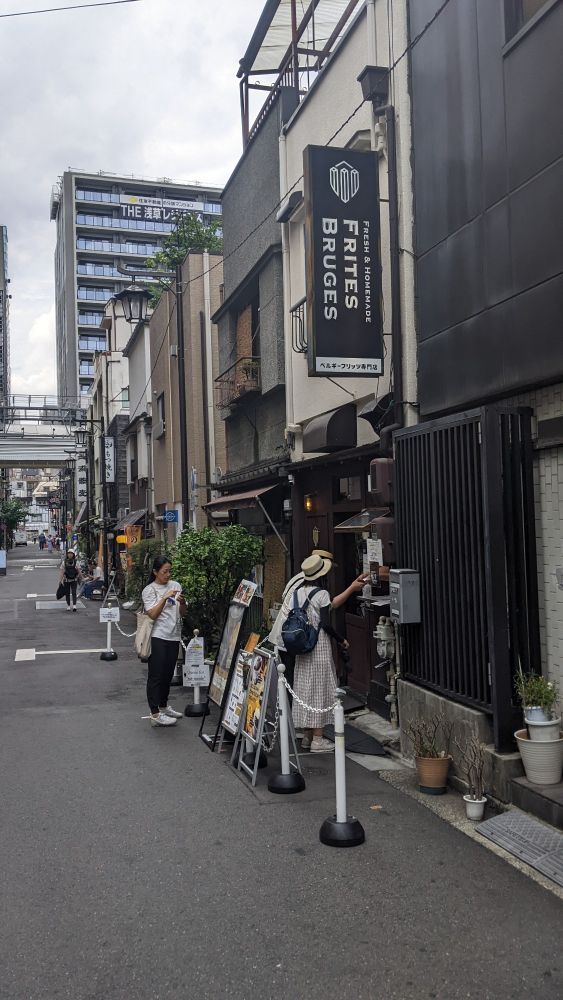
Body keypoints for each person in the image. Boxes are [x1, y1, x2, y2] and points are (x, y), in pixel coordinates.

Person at [273, 553, 367, 753]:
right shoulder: (321, 593)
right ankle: (318, 739)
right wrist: (341, 639)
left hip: (302, 648)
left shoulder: (296, 593)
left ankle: (307, 737)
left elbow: (328, 607)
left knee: (305, 689)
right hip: (319, 647)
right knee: (320, 689)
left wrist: (351, 588)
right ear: (321, 574)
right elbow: (325, 622)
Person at [142, 556, 188, 728]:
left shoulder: (176, 585)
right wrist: (164, 597)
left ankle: (163, 706)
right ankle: (155, 713)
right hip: (157, 636)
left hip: (174, 635)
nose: (168, 575)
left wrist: (182, 603)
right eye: (164, 571)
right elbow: (152, 615)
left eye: (170, 571)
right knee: (156, 675)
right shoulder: (149, 590)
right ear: (155, 572)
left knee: (168, 673)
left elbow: (183, 613)